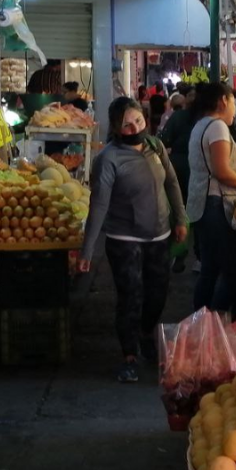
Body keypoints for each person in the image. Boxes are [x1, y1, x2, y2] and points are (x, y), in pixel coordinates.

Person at [79, 97, 188, 383]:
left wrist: (181, 218)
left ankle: (145, 333)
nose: (134, 127)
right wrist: (87, 252)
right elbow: (99, 205)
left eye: (138, 121)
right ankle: (129, 355)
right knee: (131, 296)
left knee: (157, 294)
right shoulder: (108, 159)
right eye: (127, 125)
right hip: (123, 239)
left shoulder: (156, 146)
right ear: (116, 128)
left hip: (160, 234)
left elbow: (172, 183)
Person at [187, 82, 236, 315]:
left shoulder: (200, 125)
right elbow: (221, 171)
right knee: (232, 270)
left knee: (210, 268)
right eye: (233, 102)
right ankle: (214, 320)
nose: (234, 109)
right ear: (224, 101)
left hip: (202, 204)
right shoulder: (217, 128)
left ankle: (200, 322)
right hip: (215, 204)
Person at [159, 86, 198, 273]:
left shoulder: (177, 117)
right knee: (192, 210)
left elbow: (164, 138)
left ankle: (178, 253)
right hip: (196, 168)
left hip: (178, 166)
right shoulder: (206, 120)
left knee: (177, 209)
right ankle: (195, 254)